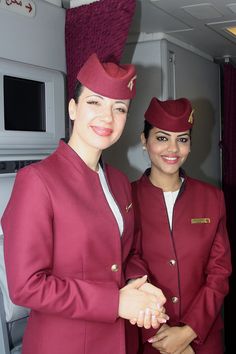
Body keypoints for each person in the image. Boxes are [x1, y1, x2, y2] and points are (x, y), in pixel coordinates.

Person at [1, 54, 168, 354]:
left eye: (119, 108)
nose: (107, 117)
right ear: (73, 108)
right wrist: (116, 302)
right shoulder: (37, 181)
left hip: (118, 341)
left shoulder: (119, 182)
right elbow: (26, 286)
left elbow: (125, 253)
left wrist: (138, 283)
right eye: (95, 102)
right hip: (63, 344)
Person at [130, 97, 232, 354]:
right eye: (162, 138)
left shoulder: (212, 198)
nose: (173, 149)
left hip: (203, 337)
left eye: (182, 139)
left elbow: (219, 272)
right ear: (144, 140)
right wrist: (161, 338)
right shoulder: (125, 198)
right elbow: (127, 267)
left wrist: (188, 332)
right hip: (147, 338)